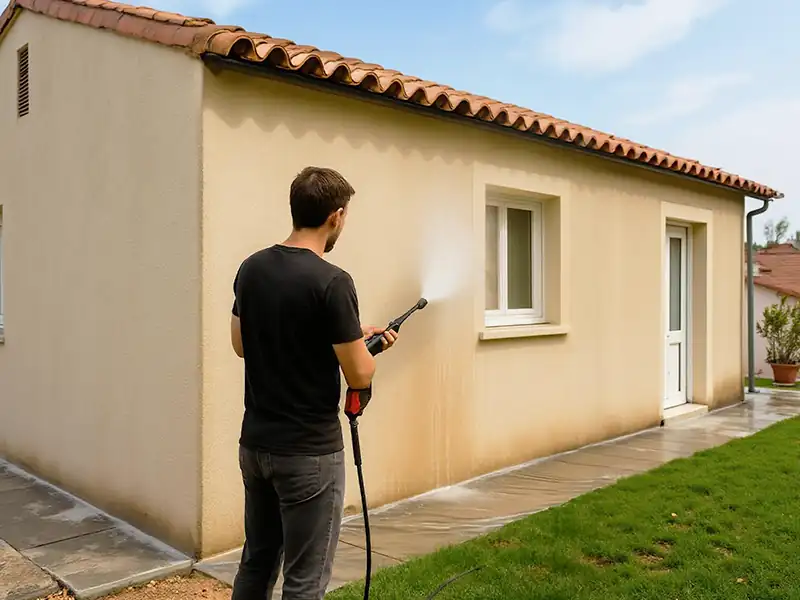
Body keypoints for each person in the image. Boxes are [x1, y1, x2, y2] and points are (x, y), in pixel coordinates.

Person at [229, 166, 398, 600]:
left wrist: (347, 334)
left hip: (256, 446)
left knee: (258, 561)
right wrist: (369, 347)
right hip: (308, 456)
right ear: (336, 216)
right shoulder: (333, 281)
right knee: (305, 580)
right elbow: (359, 374)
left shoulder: (252, 268)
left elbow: (241, 344)